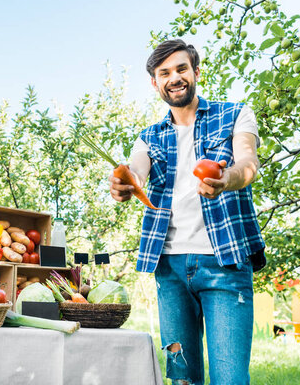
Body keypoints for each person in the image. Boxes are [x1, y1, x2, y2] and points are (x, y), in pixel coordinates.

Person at [109, 39, 266, 385]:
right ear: (155, 83)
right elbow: (136, 170)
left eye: (181, 69)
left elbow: (247, 162)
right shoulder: (148, 137)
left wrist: (226, 179)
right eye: (164, 73)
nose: (174, 78)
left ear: (196, 71)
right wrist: (125, 182)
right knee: (181, 379)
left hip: (224, 263)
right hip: (171, 268)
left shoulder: (235, 114)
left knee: (230, 379)